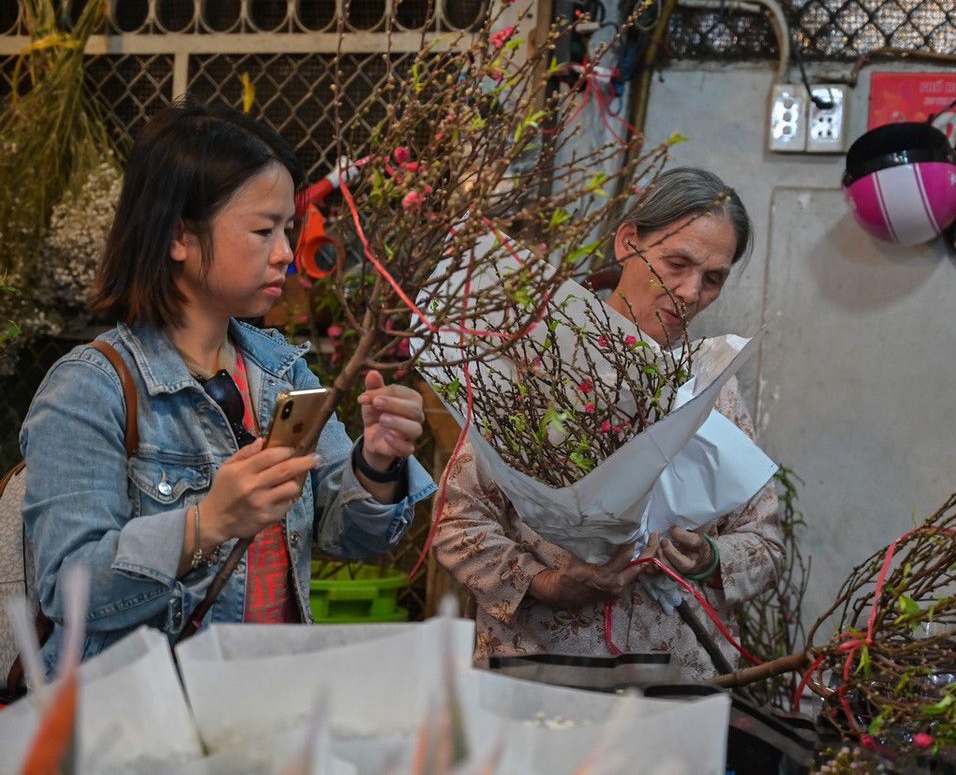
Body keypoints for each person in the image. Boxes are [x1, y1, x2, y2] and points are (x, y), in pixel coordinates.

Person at [20, 99, 436, 675]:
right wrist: (207, 523)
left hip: (264, 702)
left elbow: (350, 534)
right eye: (264, 230)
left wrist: (379, 462)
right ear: (178, 237)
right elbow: (68, 590)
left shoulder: (280, 370)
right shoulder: (89, 389)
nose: (287, 253)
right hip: (144, 722)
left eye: (287, 228)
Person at [433, 167, 785, 679]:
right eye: (676, 262)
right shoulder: (542, 358)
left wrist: (708, 556)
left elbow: (765, 544)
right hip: (540, 667)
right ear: (627, 242)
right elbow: (457, 521)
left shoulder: (712, 386)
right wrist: (547, 583)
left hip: (671, 679)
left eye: (713, 279)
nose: (691, 292)